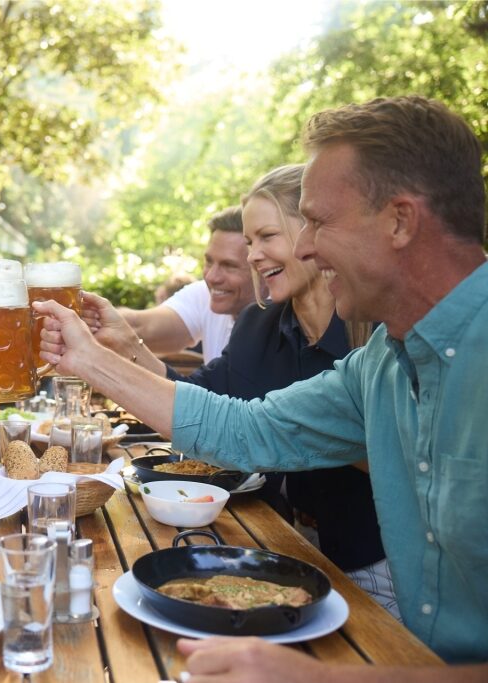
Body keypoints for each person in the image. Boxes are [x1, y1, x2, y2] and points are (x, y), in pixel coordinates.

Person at [35, 96, 487, 679]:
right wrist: (90, 359)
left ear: (400, 220)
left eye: (319, 221)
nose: (304, 247)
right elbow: (244, 428)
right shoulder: (382, 360)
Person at [82, 164, 395, 616]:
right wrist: (125, 346)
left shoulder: (375, 332)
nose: (253, 255)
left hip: (372, 561)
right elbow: (196, 401)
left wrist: (295, 428)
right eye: (249, 242)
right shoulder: (257, 326)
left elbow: (402, 458)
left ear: (310, 236)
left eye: (267, 237)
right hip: (286, 547)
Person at [119, 207, 256, 362]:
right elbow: (141, 327)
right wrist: (92, 316)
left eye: (229, 266)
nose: (212, 277)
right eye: (209, 262)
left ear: (261, 266)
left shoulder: (283, 323)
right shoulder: (206, 294)